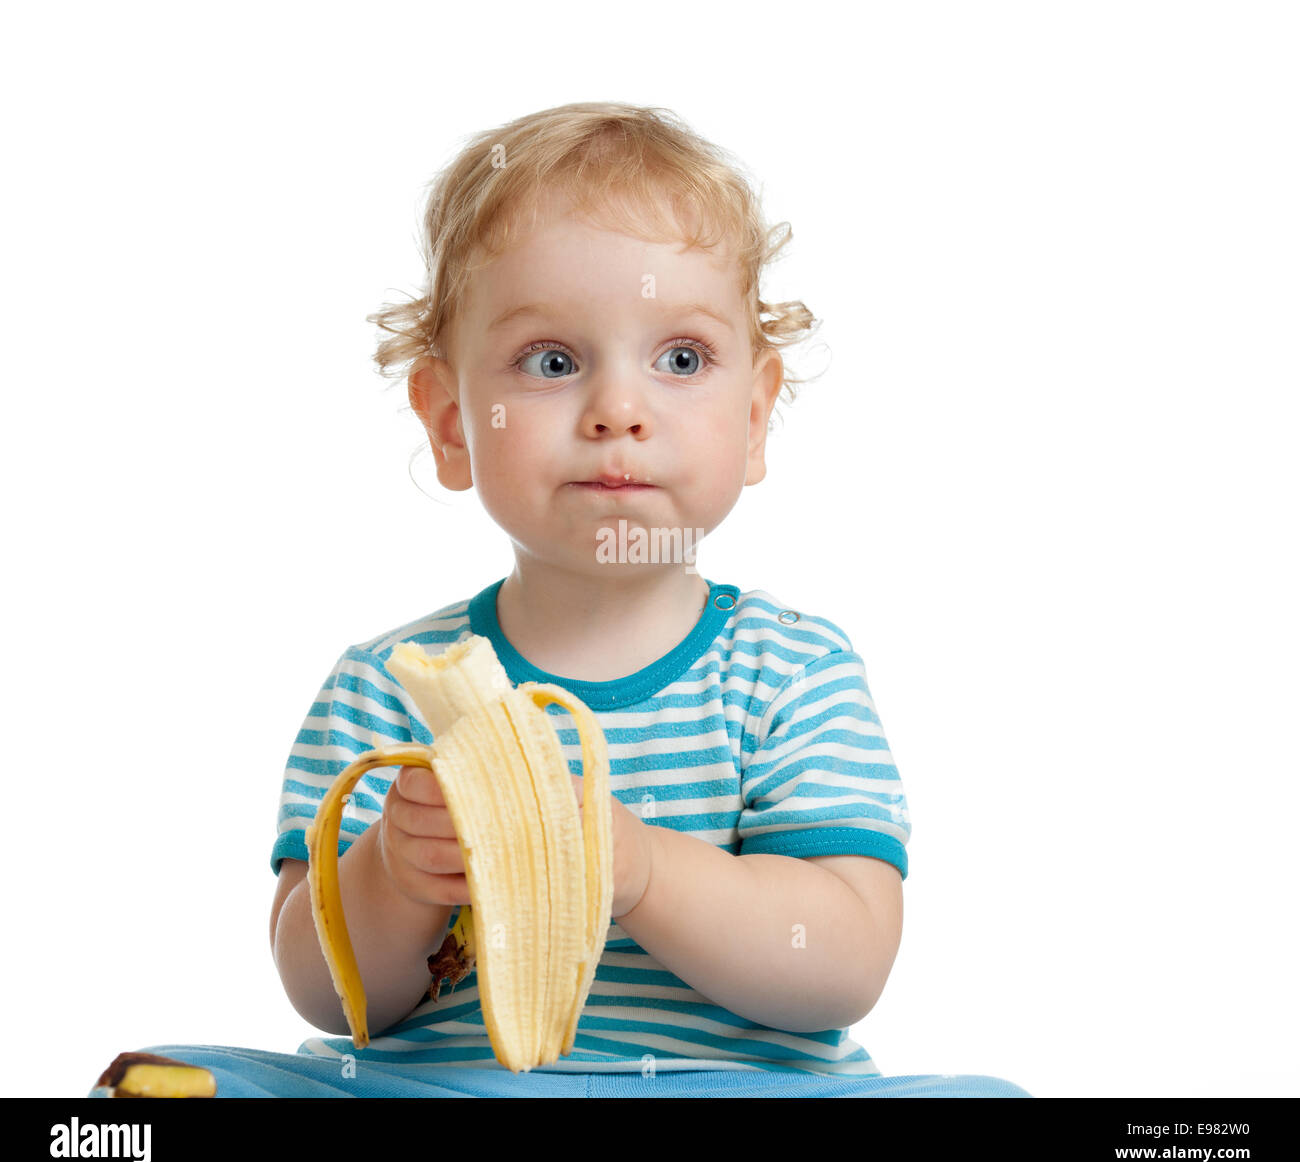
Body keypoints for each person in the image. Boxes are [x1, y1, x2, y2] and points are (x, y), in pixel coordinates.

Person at [88, 101, 1029, 1099]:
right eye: (551, 362)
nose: (618, 410)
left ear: (754, 419)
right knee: (163, 1094)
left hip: (736, 1087)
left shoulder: (791, 671)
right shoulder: (383, 688)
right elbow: (327, 995)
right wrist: (395, 878)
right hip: (450, 1087)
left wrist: (640, 869)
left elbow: (843, 960)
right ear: (453, 422)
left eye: (679, 359)